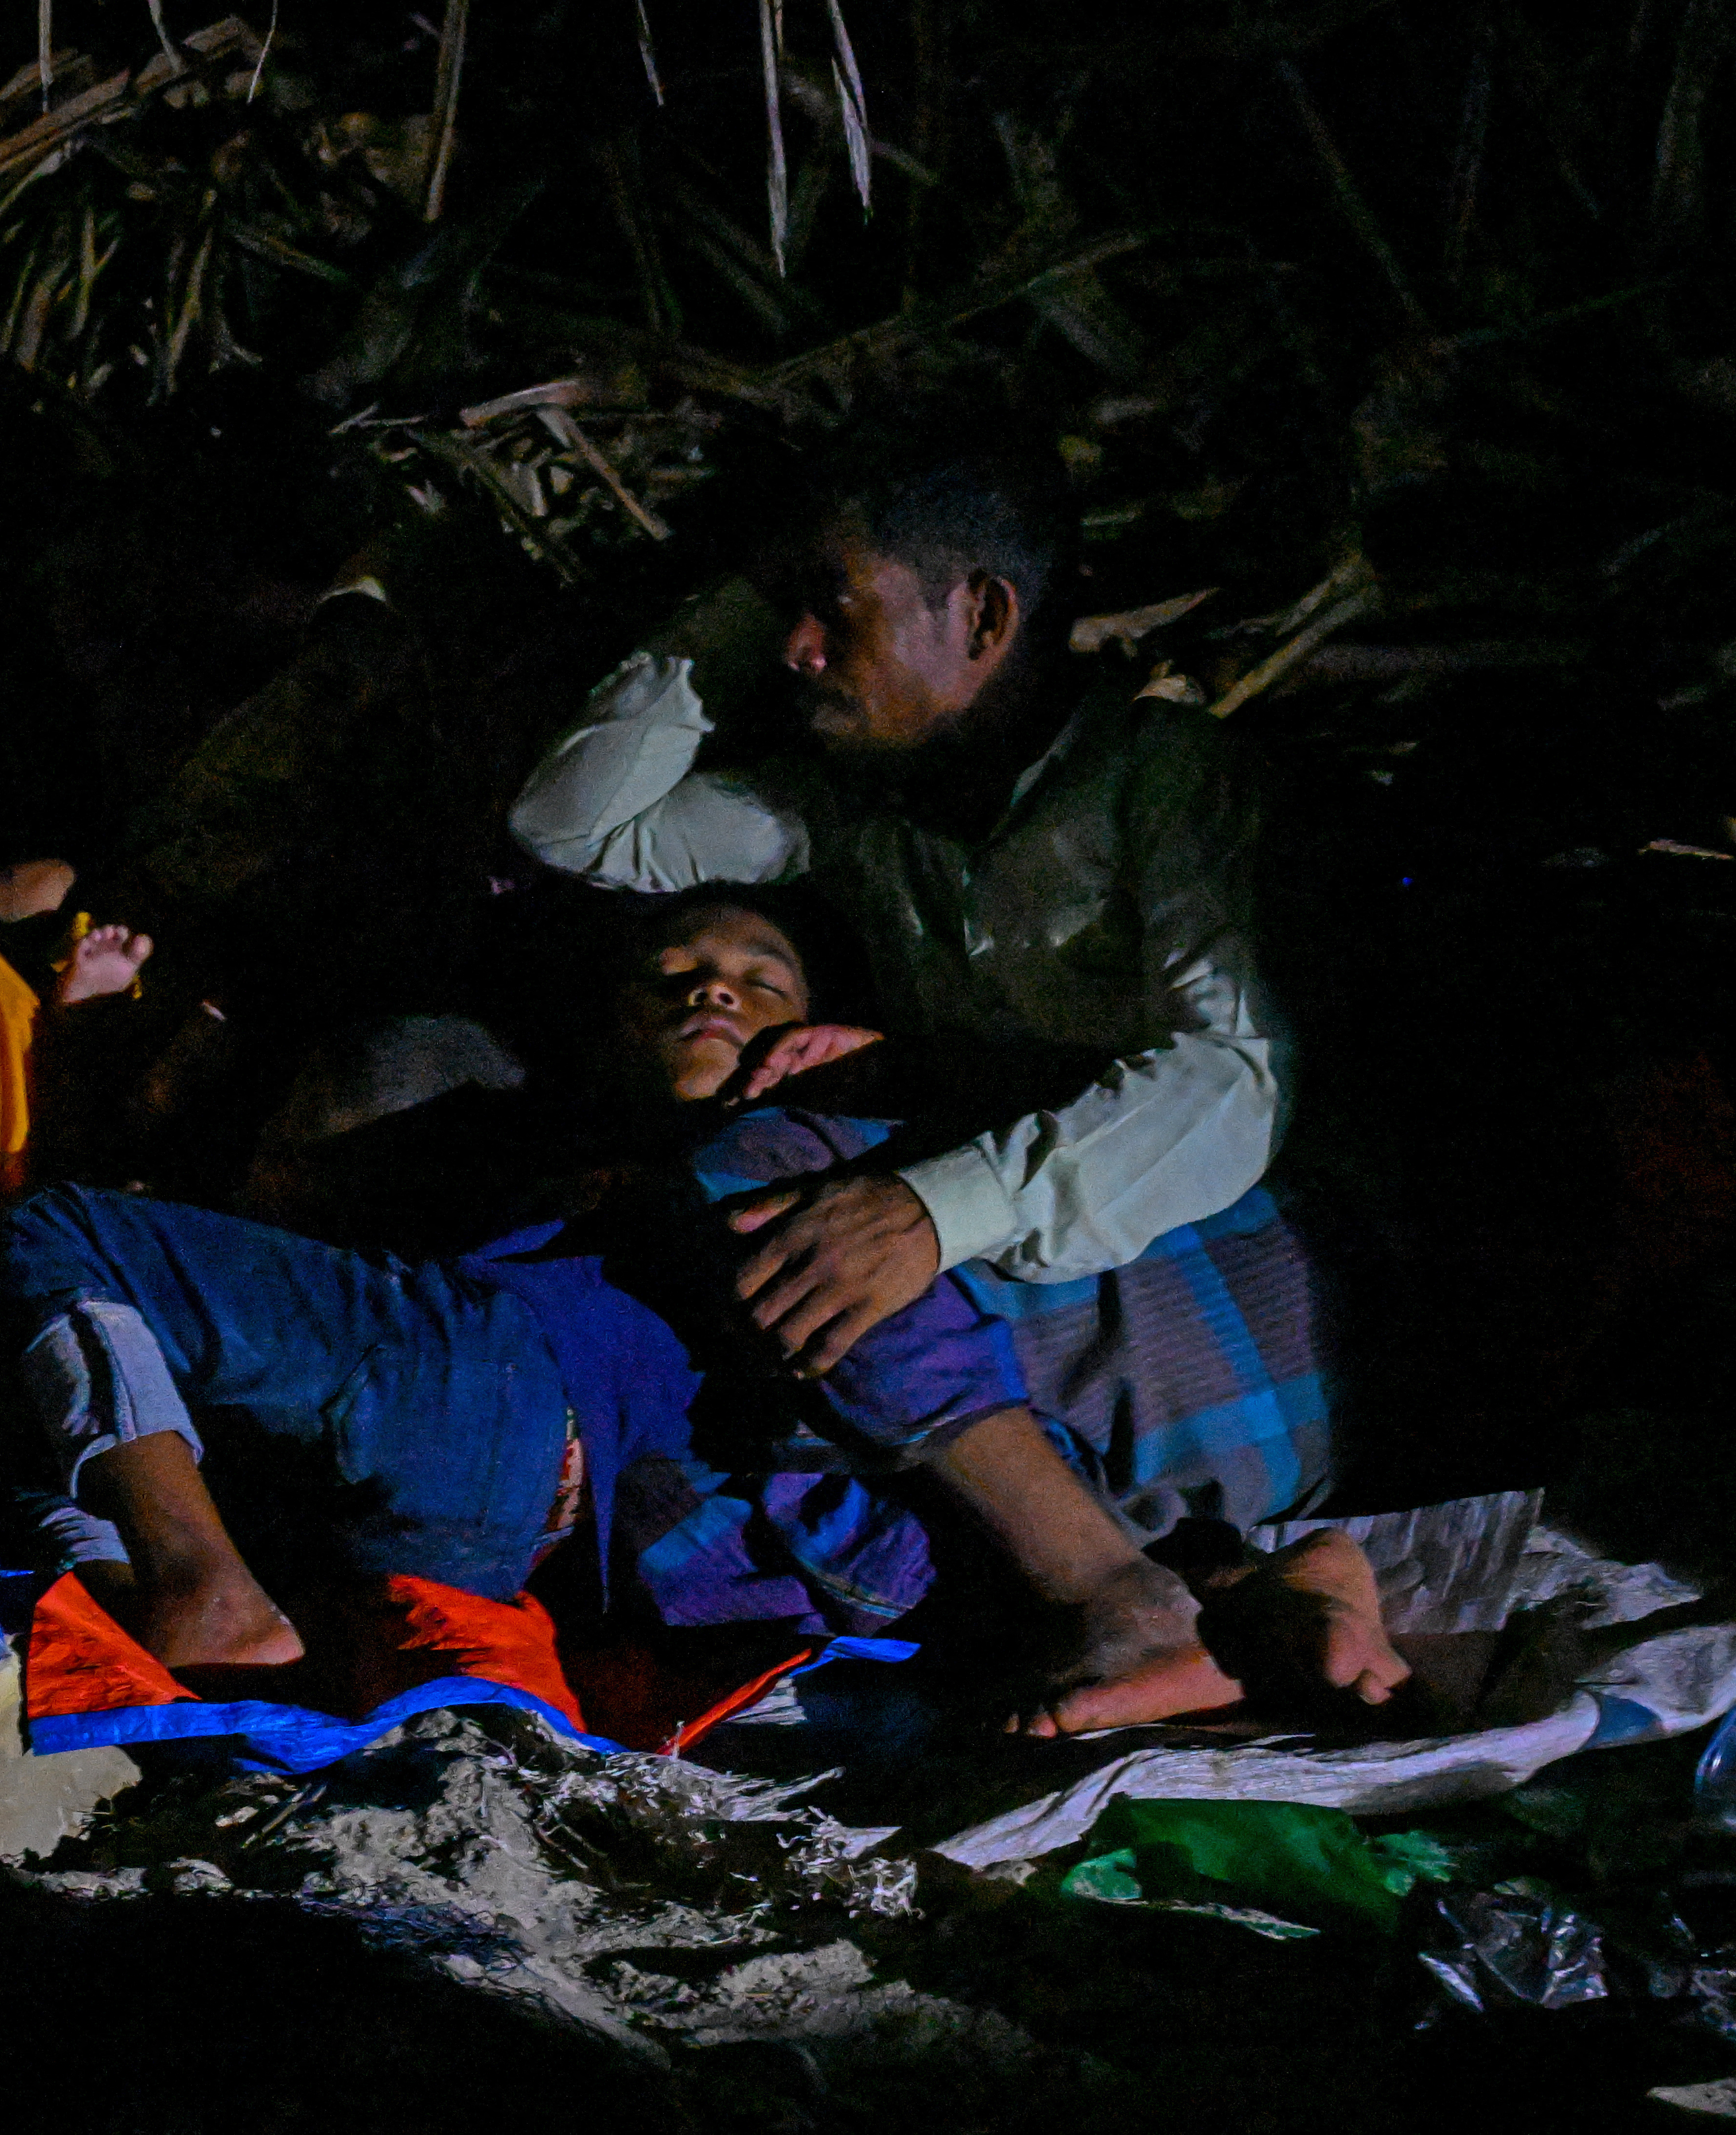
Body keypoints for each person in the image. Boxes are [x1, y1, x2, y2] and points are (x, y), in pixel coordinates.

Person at [0, 894, 1400, 1737]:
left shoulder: (840, 1148)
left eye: (758, 975)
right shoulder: (551, 1165)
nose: (711, 984)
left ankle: (201, 1579)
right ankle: (1250, 1579)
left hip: (520, 1420)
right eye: (669, 976)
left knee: (56, 1237)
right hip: (545, 1521)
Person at [506, 440, 1324, 1531]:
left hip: (1226, 1276)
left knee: (763, 1193)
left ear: (982, 619)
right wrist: (750, 596)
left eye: (834, 612)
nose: (795, 651)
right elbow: (573, 826)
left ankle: (1115, 1576)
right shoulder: (855, 805)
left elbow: (1230, 1083)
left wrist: (936, 1210)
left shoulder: (1158, 776)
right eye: (787, 614)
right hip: (1032, 1278)